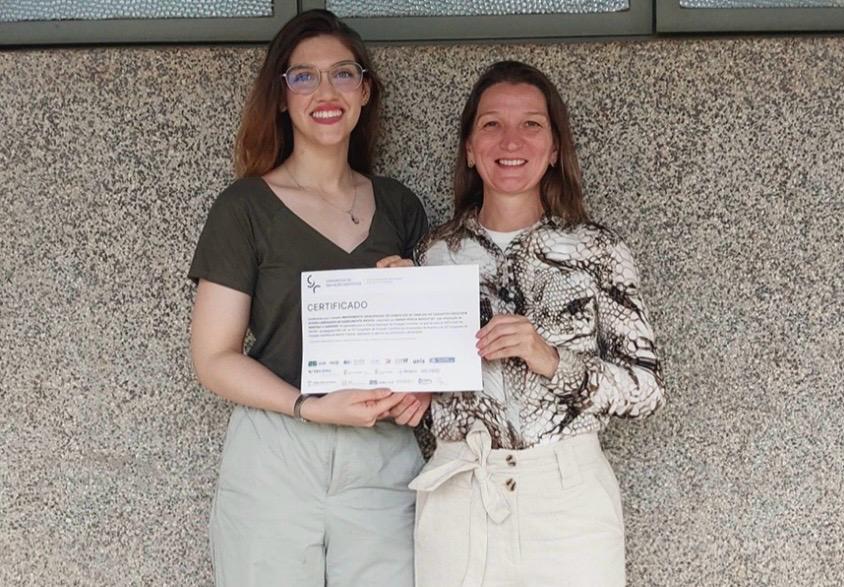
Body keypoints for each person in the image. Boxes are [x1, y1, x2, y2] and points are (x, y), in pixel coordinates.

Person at [188, 10, 430, 586]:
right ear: (281, 96)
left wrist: (422, 383)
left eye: (343, 74)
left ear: (364, 90)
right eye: (304, 76)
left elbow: (431, 339)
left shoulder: (400, 207)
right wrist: (309, 406)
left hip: (381, 451)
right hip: (279, 450)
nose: (326, 92)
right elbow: (213, 358)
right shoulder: (244, 207)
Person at [409, 60, 665, 587]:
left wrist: (550, 359)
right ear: (469, 148)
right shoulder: (431, 256)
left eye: (531, 124)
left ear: (553, 149)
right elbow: (417, 390)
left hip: (567, 502)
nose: (511, 141)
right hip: (459, 494)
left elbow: (646, 390)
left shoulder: (597, 251)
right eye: (492, 124)